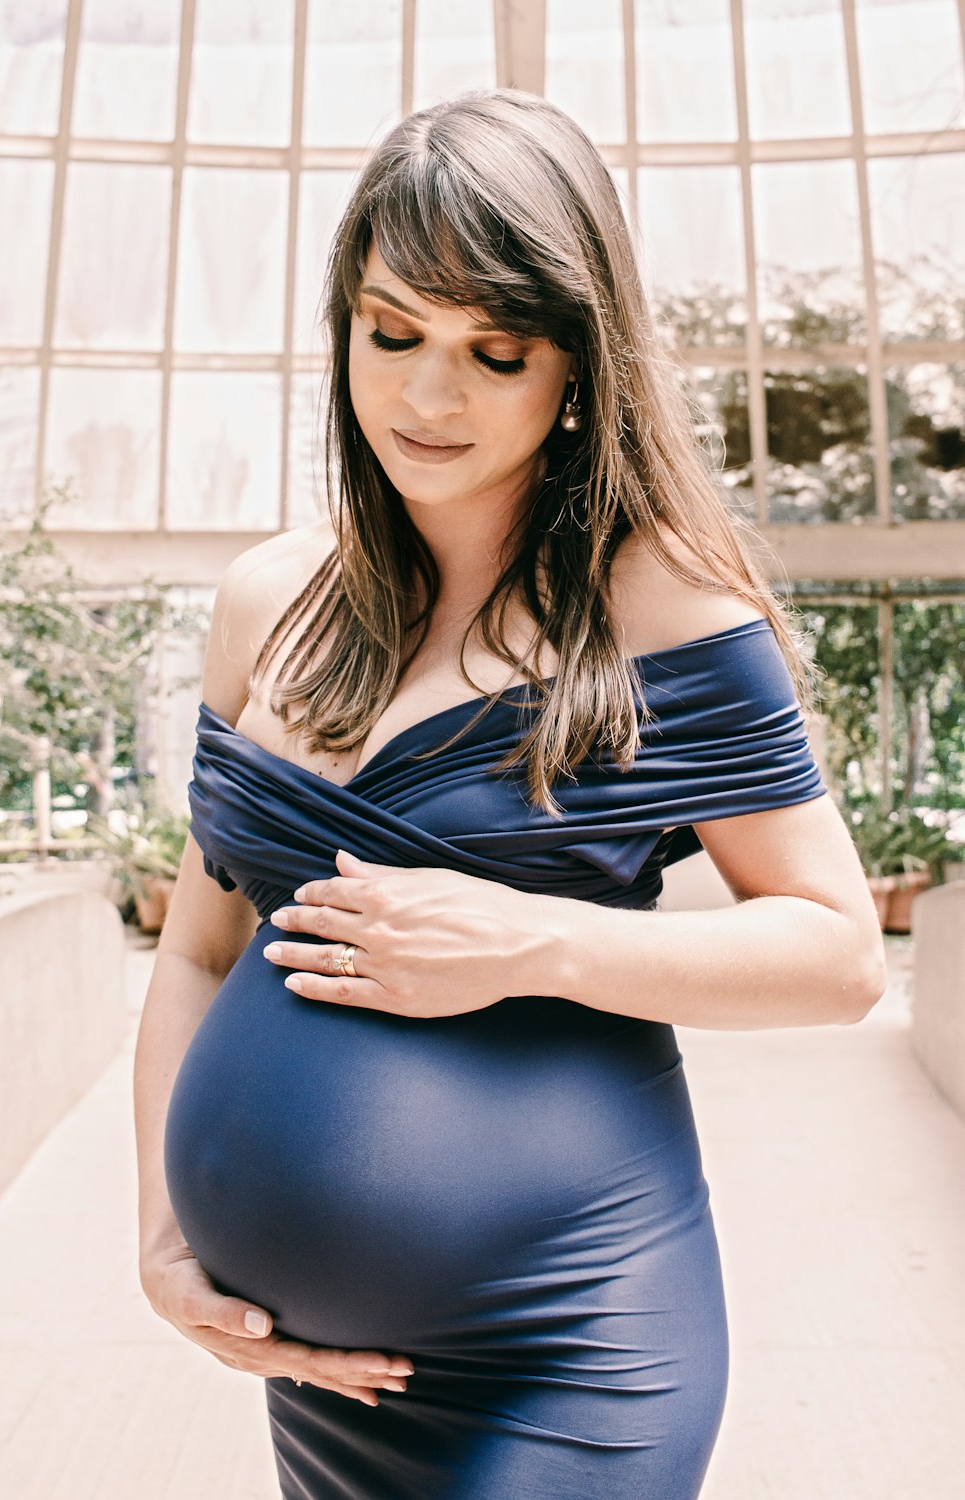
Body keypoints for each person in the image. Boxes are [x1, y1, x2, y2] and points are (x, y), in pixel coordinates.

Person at [134, 88, 886, 1500]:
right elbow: (196, 947)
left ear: (578, 366)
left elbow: (840, 951)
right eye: (393, 333)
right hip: (322, 1376)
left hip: (572, 1345)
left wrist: (532, 941)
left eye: (496, 352)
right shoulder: (265, 601)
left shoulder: (660, 598)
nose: (428, 397)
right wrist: (165, 1232)